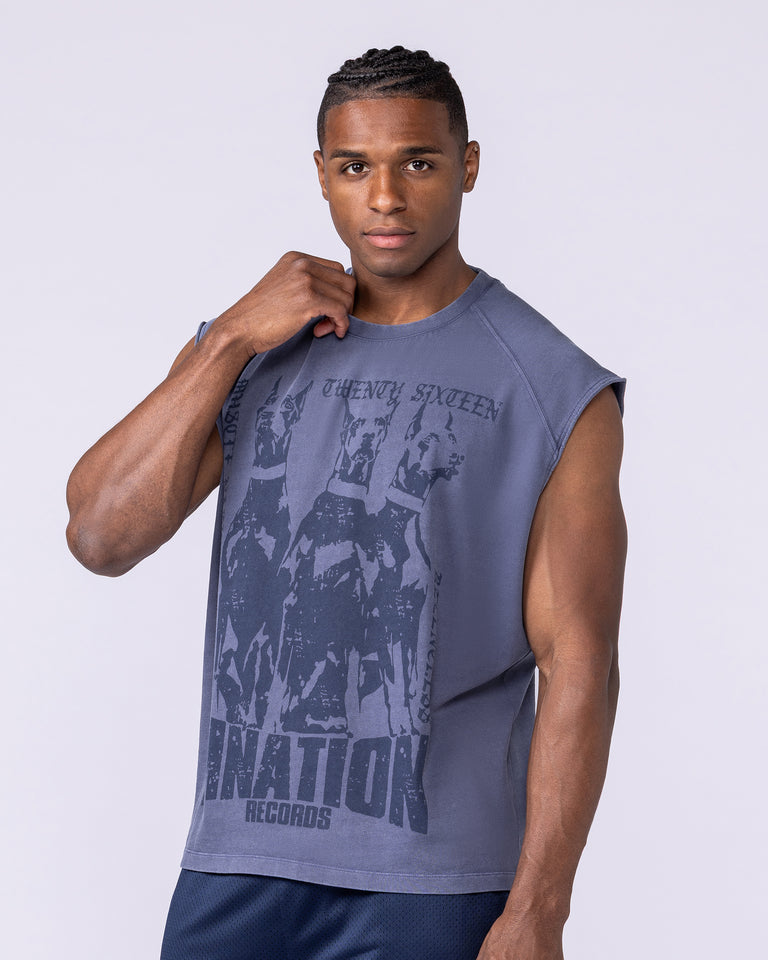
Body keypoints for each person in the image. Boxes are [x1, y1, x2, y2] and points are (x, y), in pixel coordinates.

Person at [66, 46, 626, 960]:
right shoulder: (254, 347)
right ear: (322, 174)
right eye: (356, 167)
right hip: (235, 863)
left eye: (418, 163)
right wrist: (230, 339)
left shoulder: (553, 386)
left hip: (434, 883)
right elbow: (99, 535)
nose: (386, 198)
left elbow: (581, 664)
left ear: (468, 167)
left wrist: (539, 912)